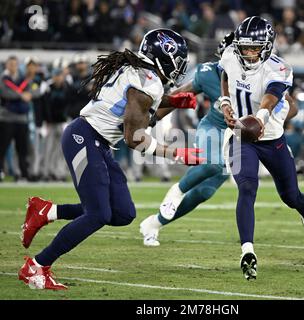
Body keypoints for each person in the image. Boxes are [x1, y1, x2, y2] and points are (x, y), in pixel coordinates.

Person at [18, 28, 204, 290]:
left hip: (98, 142)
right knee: (98, 214)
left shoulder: (140, 72)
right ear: (165, 56)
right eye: (178, 60)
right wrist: (177, 152)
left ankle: (48, 211)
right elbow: (135, 137)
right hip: (84, 138)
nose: (180, 67)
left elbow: (140, 112)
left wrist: (171, 101)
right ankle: (36, 266)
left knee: (122, 213)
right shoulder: (147, 82)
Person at [140, 33, 298, 247]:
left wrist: (269, 121)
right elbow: (176, 98)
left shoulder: (262, 75)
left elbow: (292, 107)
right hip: (214, 127)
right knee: (213, 164)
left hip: (240, 137)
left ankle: (154, 224)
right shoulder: (208, 73)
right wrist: (151, 119)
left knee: (204, 192)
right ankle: (176, 191)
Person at [219, 16, 304, 281]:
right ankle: (248, 252)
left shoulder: (277, 68)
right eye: (244, 47)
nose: (248, 53)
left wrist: (260, 119)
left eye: (254, 48)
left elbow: (271, 97)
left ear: (267, 46)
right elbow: (224, 74)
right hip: (242, 137)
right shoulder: (230, 56)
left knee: (291, 196)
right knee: (247, 187)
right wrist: (224, 103)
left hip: (271, 137)